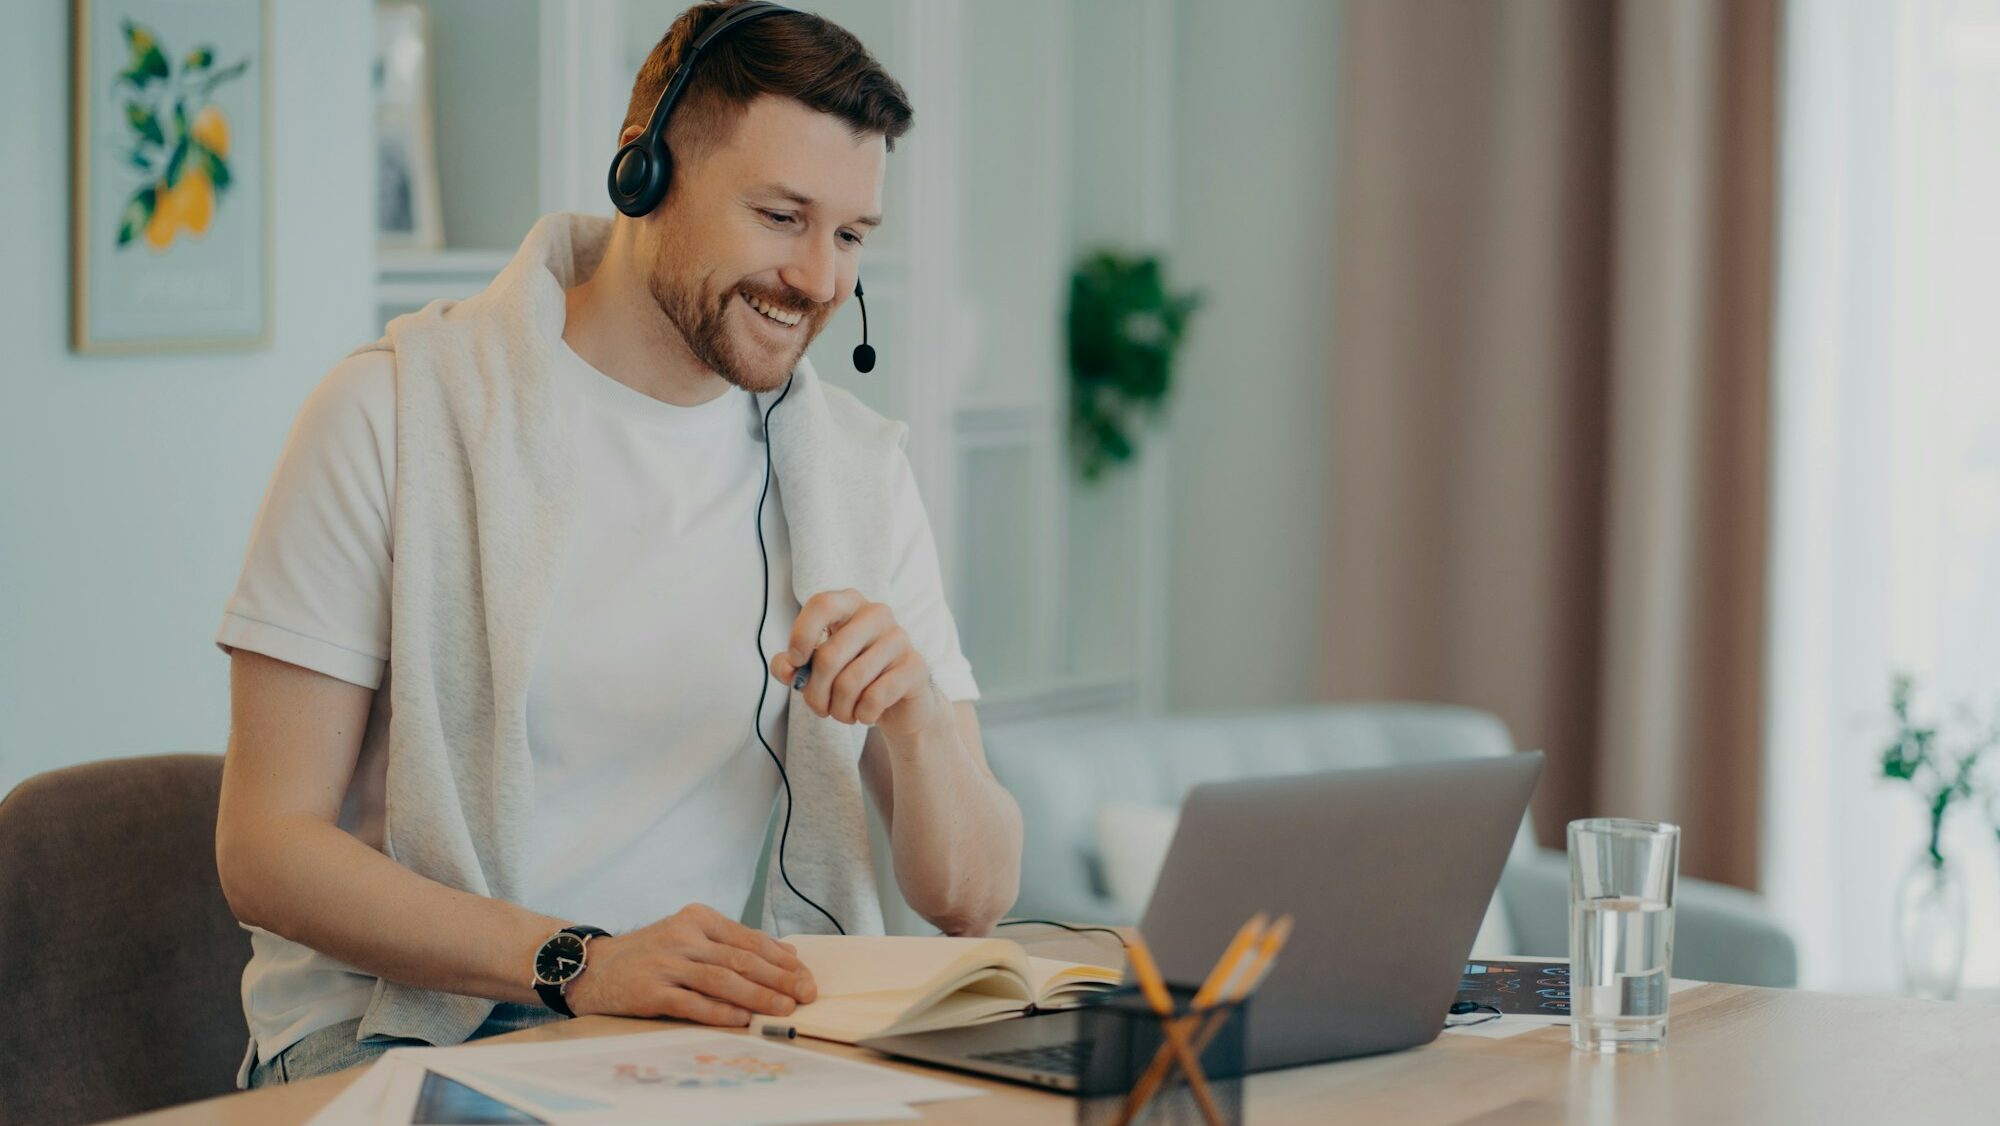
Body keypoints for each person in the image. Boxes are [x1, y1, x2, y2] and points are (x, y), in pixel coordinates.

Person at [213, 1, 1022, 1087]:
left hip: (685, 1050)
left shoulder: (853, 475)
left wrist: (921, 721)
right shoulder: (393, 414)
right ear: (643, 177)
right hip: (391, 1036)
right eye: (781, 216)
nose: (820, 281)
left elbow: (971, 897)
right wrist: (579, 964)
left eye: (850, 235)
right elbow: (265, 851)